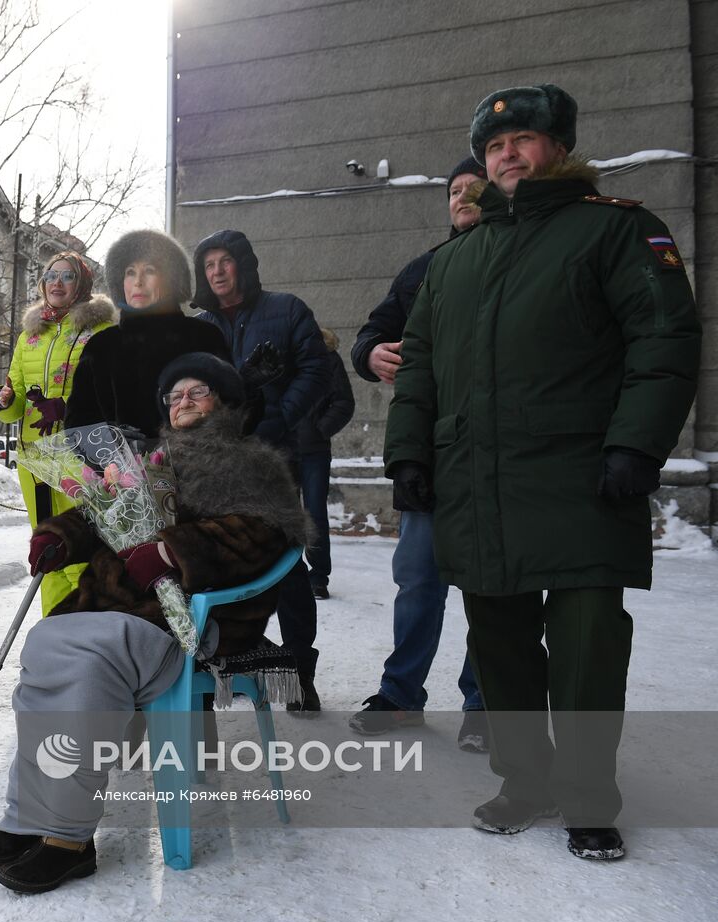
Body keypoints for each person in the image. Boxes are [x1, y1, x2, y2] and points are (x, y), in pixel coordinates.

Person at [384, 84, 701, 861]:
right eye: (495, 147)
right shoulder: (454, 262)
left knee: (590, 643)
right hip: (479, 483)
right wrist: (409, 455)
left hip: (584, 477)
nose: (508, 154)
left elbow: (664, 339)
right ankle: (524, 780)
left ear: (558, 147)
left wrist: (637, 445)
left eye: (524, 139)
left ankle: (590, 799)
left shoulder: (615, 231)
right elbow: (419, 366)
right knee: (502, 645)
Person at [0, 352, 311, 894]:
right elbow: (108, 510)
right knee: (47, 643)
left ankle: (68, 838)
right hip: (122, 611)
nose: (182, 402)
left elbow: (262, 535)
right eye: (173, 396)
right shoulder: (150, 461)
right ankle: (29, 817)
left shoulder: (252, 464)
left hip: (193, 618)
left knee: (92, 655)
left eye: (196, 392)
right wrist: (61, 535)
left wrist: (174, 553)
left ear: (224, 402)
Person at [348, 156, 490, 751]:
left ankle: (484, 705)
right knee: (418, 580)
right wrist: (370, 353)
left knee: (493, 585)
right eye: (453, 190)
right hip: (430, 452)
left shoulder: (521, 259)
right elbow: (373, 331)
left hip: (497, 457)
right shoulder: (424, 269)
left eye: (471, 189)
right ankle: (402, 694)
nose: (461, 197)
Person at [189, 229, 331, 713]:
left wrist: (280, 416)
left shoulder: (287, 310)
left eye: (225, 261)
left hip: (275, 462)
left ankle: (300, 676)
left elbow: (317, 370)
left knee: (285, 568)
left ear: (244, 265)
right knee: (222, 568)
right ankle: (225, 671)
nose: (217, 272)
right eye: (208, 265)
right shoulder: (201, 327)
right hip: (219, 468)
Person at [0, 251, 116, 613]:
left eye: (67, 276)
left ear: (83, 284)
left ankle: (87, 635)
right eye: (51, 276)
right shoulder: (29, 336)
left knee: (80, 548)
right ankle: (54, 633)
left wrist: (71, 404)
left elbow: (110, 394)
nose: (57, 283)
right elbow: (13, 408)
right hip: (34, 460)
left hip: (81, 457)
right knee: (46, 550)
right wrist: (4, 399)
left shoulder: (101, 332)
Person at [63, 230, 228, 439]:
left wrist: (249, 389)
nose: (138, 282)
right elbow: (77, 424)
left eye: (149, 271)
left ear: (170, 279)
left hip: (195, 468)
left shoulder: (204, 337)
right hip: (119, 470)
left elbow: (232, 415)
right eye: (130, 272)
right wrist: (111, 445)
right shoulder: (101, 346)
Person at [295, 327, 355, 600]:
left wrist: (319, 430)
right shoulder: (285, 358)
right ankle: (283, 575)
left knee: (315, 514)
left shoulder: (328, 359)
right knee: (280, 513)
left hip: (315, 451)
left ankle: (318, 577)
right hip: (281, 449)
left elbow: (344, 402)